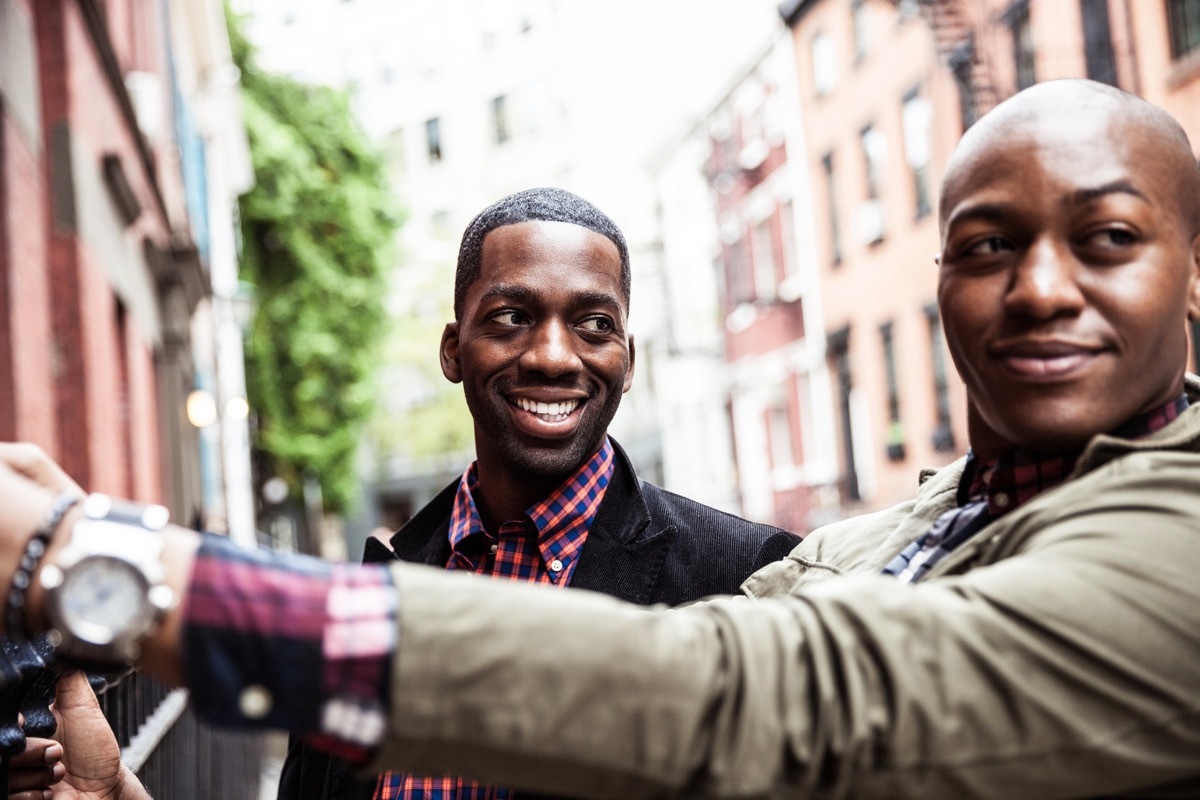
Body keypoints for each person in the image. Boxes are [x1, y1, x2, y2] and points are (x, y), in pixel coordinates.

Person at [5, 77, 1200, 799]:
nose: (1040, 287)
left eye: (1107, 238)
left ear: (1190, 278)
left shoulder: (1176, 544)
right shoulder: (901, 534)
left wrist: (98, 561)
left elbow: (725, 692)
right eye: (988, 243)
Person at [279, 187, 802, 800]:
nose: (553, 357)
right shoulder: (362, 605)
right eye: (511, 317)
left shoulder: (756, 577)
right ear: (453, 350)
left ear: (628, 362)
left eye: (594, 325)